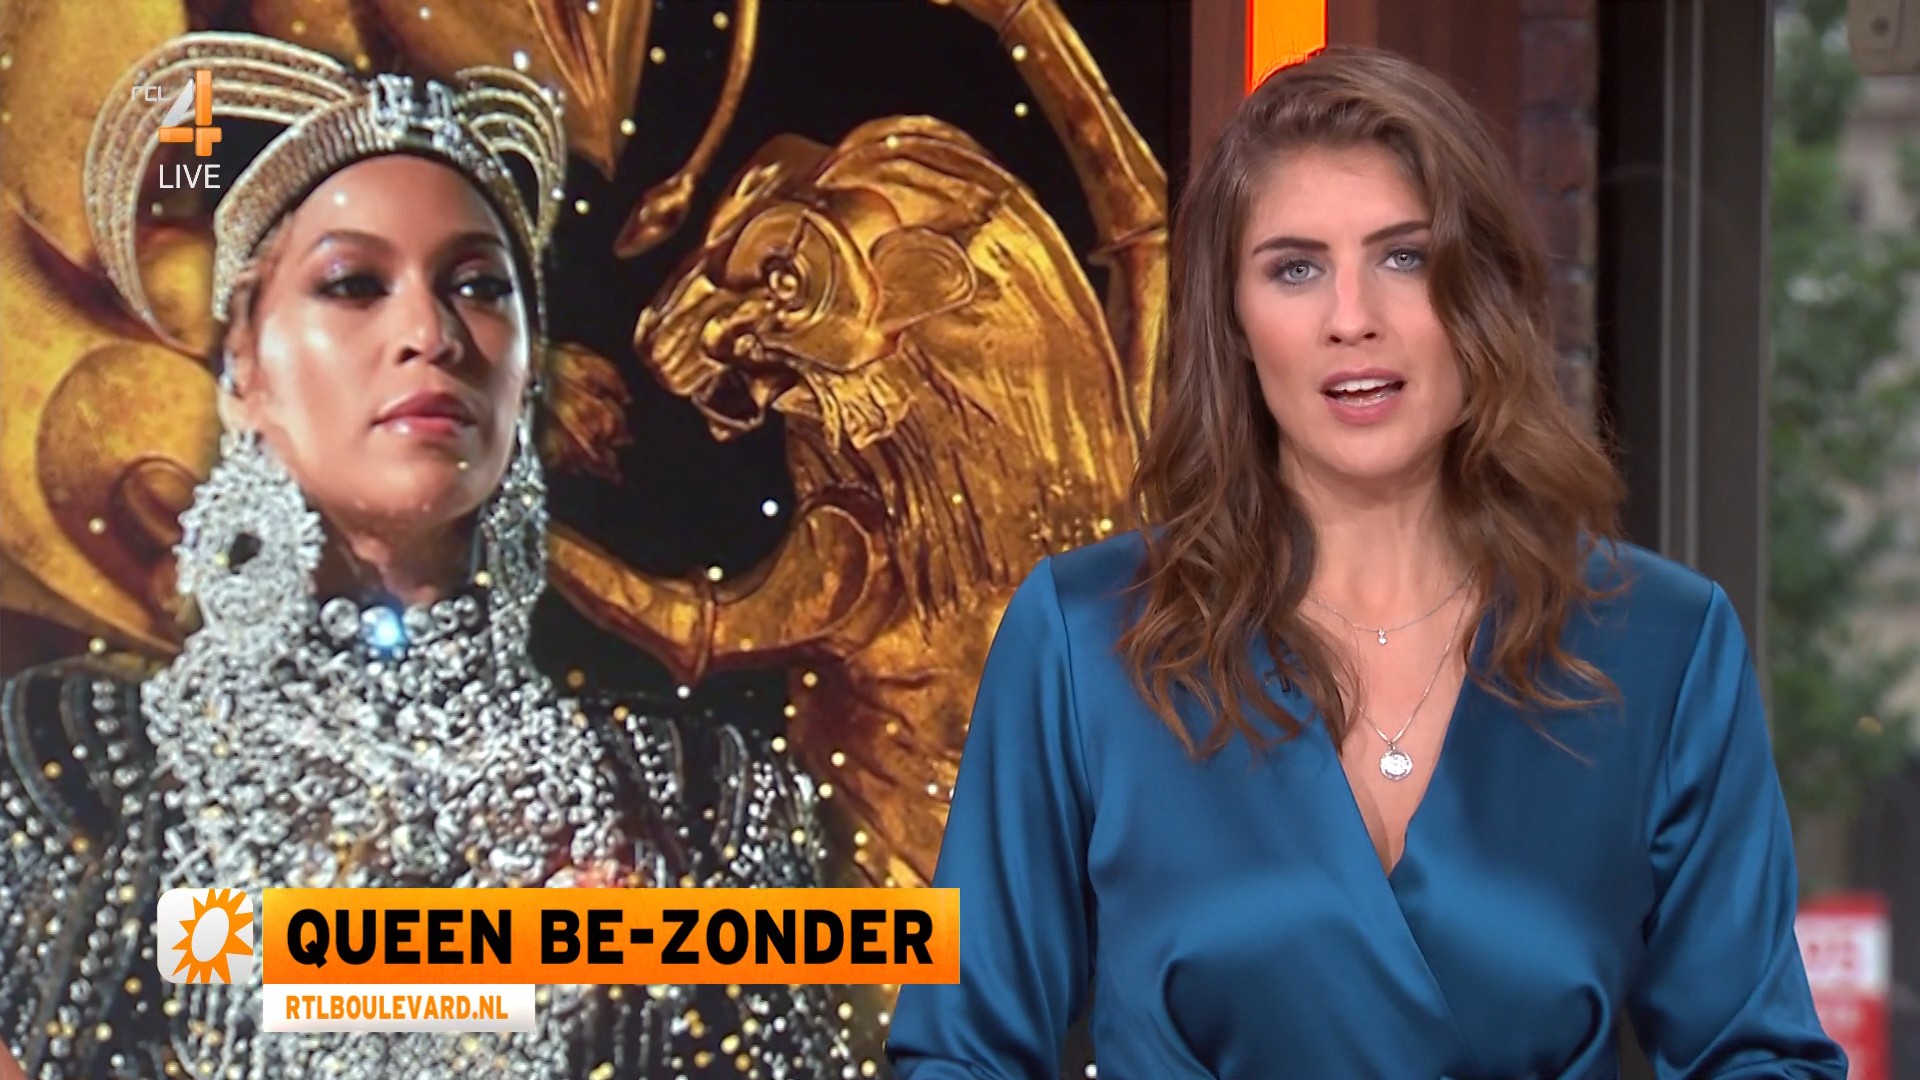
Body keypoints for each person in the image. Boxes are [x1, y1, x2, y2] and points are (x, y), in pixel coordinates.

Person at [886, 46, 1846, 1079]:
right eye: (1294, 269)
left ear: (1480, 296)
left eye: (1405, 258)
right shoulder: (1085, 639)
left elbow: (1761, 1057)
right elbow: (961, 1054)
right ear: (1236, 324)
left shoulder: (1659, 643)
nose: (1353, 319)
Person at [0, 32, 852, 1080]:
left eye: (480, 286)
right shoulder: (73, 767)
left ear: (527, 375)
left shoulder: (701, 804)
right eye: (355, 283)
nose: (431, 332)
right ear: (244, 371)